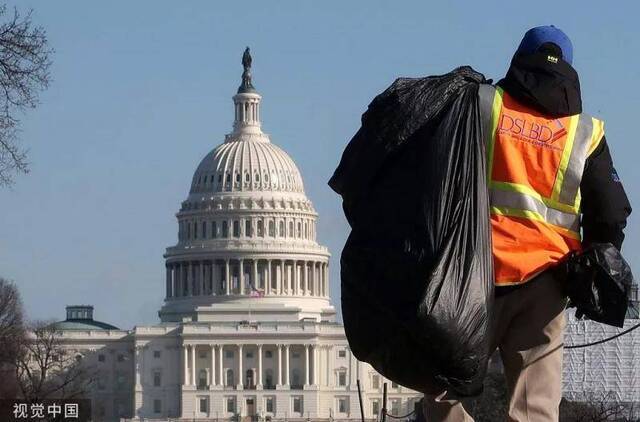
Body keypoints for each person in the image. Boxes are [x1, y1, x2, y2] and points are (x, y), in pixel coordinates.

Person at [422, 25, 631, 422]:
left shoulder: (482, 104)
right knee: (535, 408)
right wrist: (595, 260)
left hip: (472, 276)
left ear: (519, 60)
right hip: (547, 283)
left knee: (441, 384)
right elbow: (610, 212)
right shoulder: (585, 131)